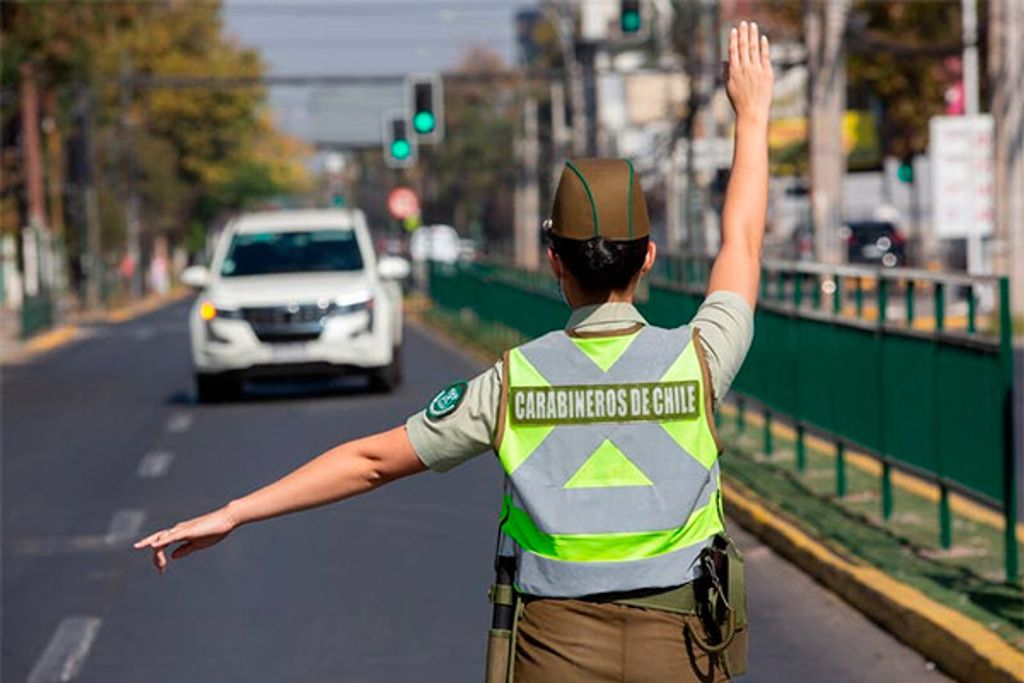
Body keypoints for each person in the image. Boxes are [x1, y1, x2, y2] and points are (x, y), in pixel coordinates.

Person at [135, 21, 773, 682]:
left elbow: (371, 461)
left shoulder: (513, 383)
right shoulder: (700, 358)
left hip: (553, 645)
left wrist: (236, 511)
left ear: (553, 261)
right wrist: (751, 116)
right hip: (683, 646)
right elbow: (743, 242)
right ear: (650, 258)